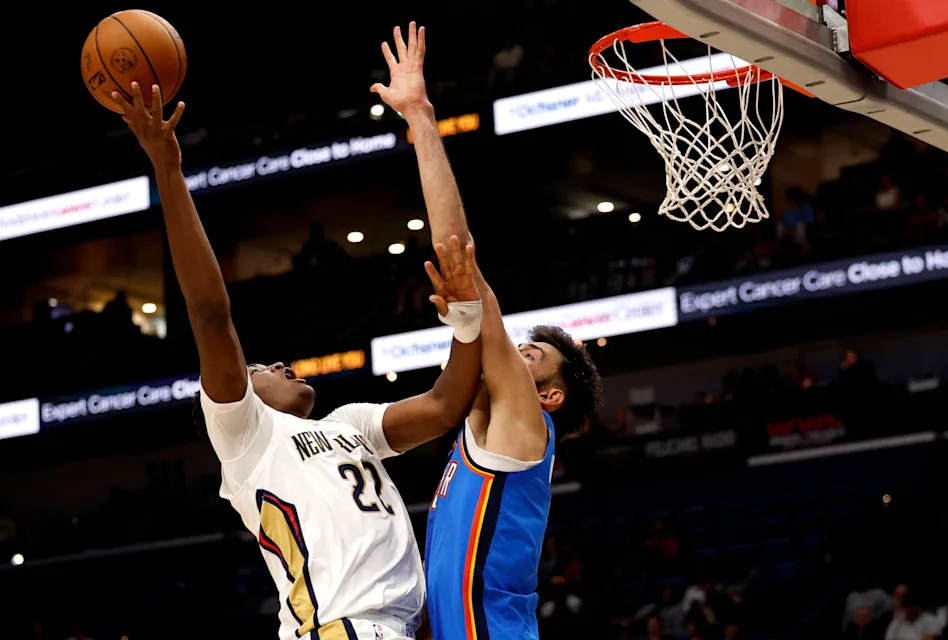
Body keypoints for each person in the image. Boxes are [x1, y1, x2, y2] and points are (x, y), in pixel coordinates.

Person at [111, 81, 485, 640]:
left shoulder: (348, 424)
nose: (280, 364)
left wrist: (466, 318)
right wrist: (168, 167)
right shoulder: (245, 440)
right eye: (259, 369)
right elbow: (211, 312)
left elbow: (443, 404)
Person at [371, 22, 603, 640]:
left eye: (530, 357)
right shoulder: (480, 432)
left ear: (548, 396)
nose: (511, 354)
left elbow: (459, 254)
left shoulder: (527, 425)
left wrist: (420, 116)